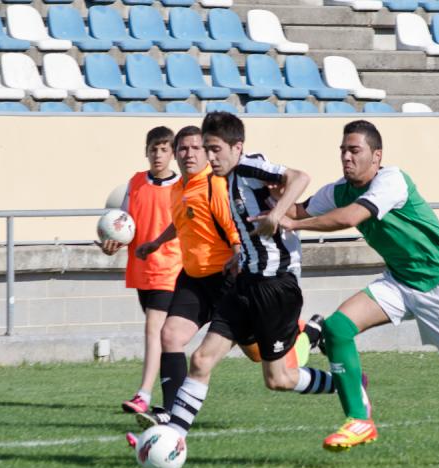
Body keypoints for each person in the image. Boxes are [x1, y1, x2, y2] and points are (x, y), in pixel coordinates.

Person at [274, 119, 439, 467]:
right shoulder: (336, 190)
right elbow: (296, 209)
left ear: (376, 155)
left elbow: (350, 218)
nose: (347, 158)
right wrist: (268, 187)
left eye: (355, 151)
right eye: (343, 151)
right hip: (399, 280)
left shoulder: (392, 180)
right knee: (338, 328)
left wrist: (293, 223)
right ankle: (359, 420)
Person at [133, 124, 331, 431]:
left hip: (233, 279)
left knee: (267, 365)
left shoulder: (218, 184)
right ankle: (172, 422)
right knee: (178, 342)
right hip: (198, 279)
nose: (193, 155)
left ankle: (311, 338)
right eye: (183, 149)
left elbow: (240, 223)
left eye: (201, 148)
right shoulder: (181, 188)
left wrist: (247, 245)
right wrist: (157, 243)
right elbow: (183, 223)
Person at [99, 126, 183, 416]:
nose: (158, 155)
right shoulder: (135, 183)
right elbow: (124, 224)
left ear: (172, 153)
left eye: (164, 149)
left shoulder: (181, 186)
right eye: (153, 149)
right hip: (141, 270)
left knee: (154, 329)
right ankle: (175, 397)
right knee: (166, 336)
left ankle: (143, 394)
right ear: (146, 151)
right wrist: (112, 245)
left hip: (170, 267)